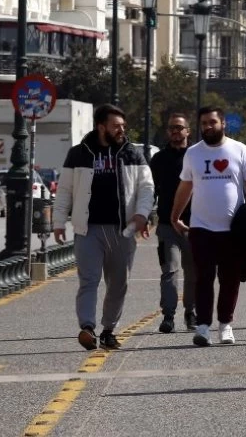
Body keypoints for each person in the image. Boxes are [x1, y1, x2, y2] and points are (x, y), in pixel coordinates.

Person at [52, 104, 155, 351]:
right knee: (89, 280)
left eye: (122, 126)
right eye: (115, 126)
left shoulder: (132, 153)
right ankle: (87, 328)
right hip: (88, 229)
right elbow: (65, 189)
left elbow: (147, 188)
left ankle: (108, 329)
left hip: (124, 229)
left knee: (119, 282)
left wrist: (142, 214)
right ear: (101, 127)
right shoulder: (79, 153)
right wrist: (58, 221)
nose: (121, 130)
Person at [168, 106, 246, 347]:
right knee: (203, 278)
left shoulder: (240, 150)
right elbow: (185, 187)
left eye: (212, 122)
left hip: (233, 229)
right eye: (203, 123)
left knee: (230, 279)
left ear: (223, 123)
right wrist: (175, 216)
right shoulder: (193, 154)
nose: (208, 127)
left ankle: (225, 325)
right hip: (201, 228)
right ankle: (202, 327)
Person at [149, 113, 197, 333]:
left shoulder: (197, 156)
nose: (175, 132)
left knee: (193, 272)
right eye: (171, 128)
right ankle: (168, 316)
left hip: (195, 225)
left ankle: (191, 312)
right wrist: (145, 215)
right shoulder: (158, 159)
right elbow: (150, 190)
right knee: (169, 270)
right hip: (168, 226)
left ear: (188, 130)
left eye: (179, 128)